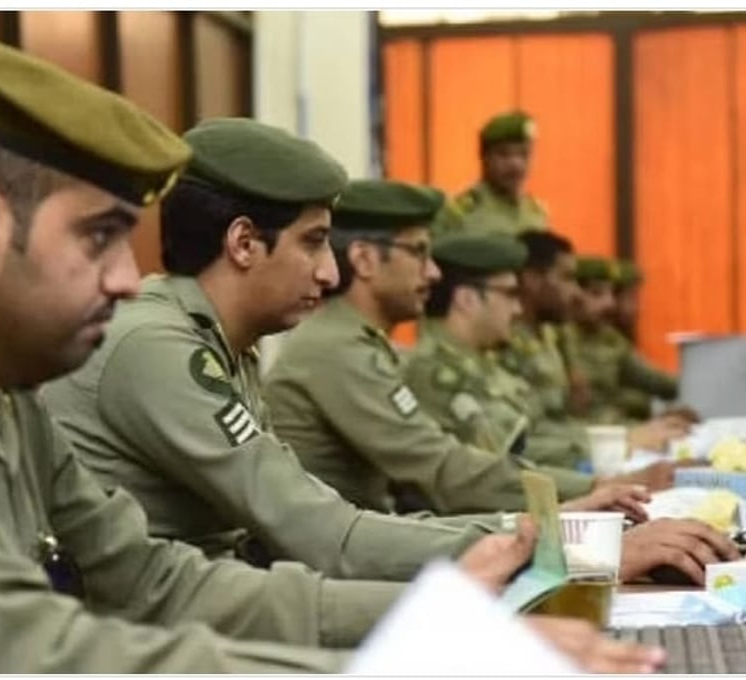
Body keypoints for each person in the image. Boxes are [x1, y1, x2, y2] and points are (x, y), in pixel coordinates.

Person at [0, 32, 531, 674]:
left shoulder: (6, 397)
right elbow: (37, 653)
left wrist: (437, 619)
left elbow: (157, 581)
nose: (131, 280)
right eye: (98, 238)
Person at [42, 118, 541, 583]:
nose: (329, 272)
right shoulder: (158, 347)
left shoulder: (223, 344)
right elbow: (322, 534)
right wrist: (534, 537)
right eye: (313, 243)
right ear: (243, 243)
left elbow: (305, 525)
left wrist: (526, 529)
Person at [262, 179, 650, 517]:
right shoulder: (336, 349)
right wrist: (588, 489)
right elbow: (443, 470)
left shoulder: (355, 342)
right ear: (365, 259)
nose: (433, 273)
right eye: (418, 252)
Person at [404, 233, 738, 585]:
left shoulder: (479, 363)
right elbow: (484, 468)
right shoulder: (435, 372)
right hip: (481, 543)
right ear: (468, 299)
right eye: (510, 295)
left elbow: (535, 432)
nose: (517, 309)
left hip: (506, 531)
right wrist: (594, 484)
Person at [500, 230, 685, 472]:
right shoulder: (503, 343)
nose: (575, 293)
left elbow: (559, 421)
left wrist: (627, 434)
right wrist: (621, 440)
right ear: (532, 279)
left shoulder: (549, 336)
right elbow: (519, 441)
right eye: (567, 278)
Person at [564, 256, 681, 425]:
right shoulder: (558, 340)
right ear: (572, 295)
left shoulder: (610, 339)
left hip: (613, 427)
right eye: (596, 294)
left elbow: (653, 380)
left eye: (611, 294)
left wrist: (698, 385)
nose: (609, 303)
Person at [430, 110, 550, 239]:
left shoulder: (536, 213)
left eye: (524, 154)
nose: (516, 164)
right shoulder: (462, 213)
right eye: (504, 154)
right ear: (484, 157)